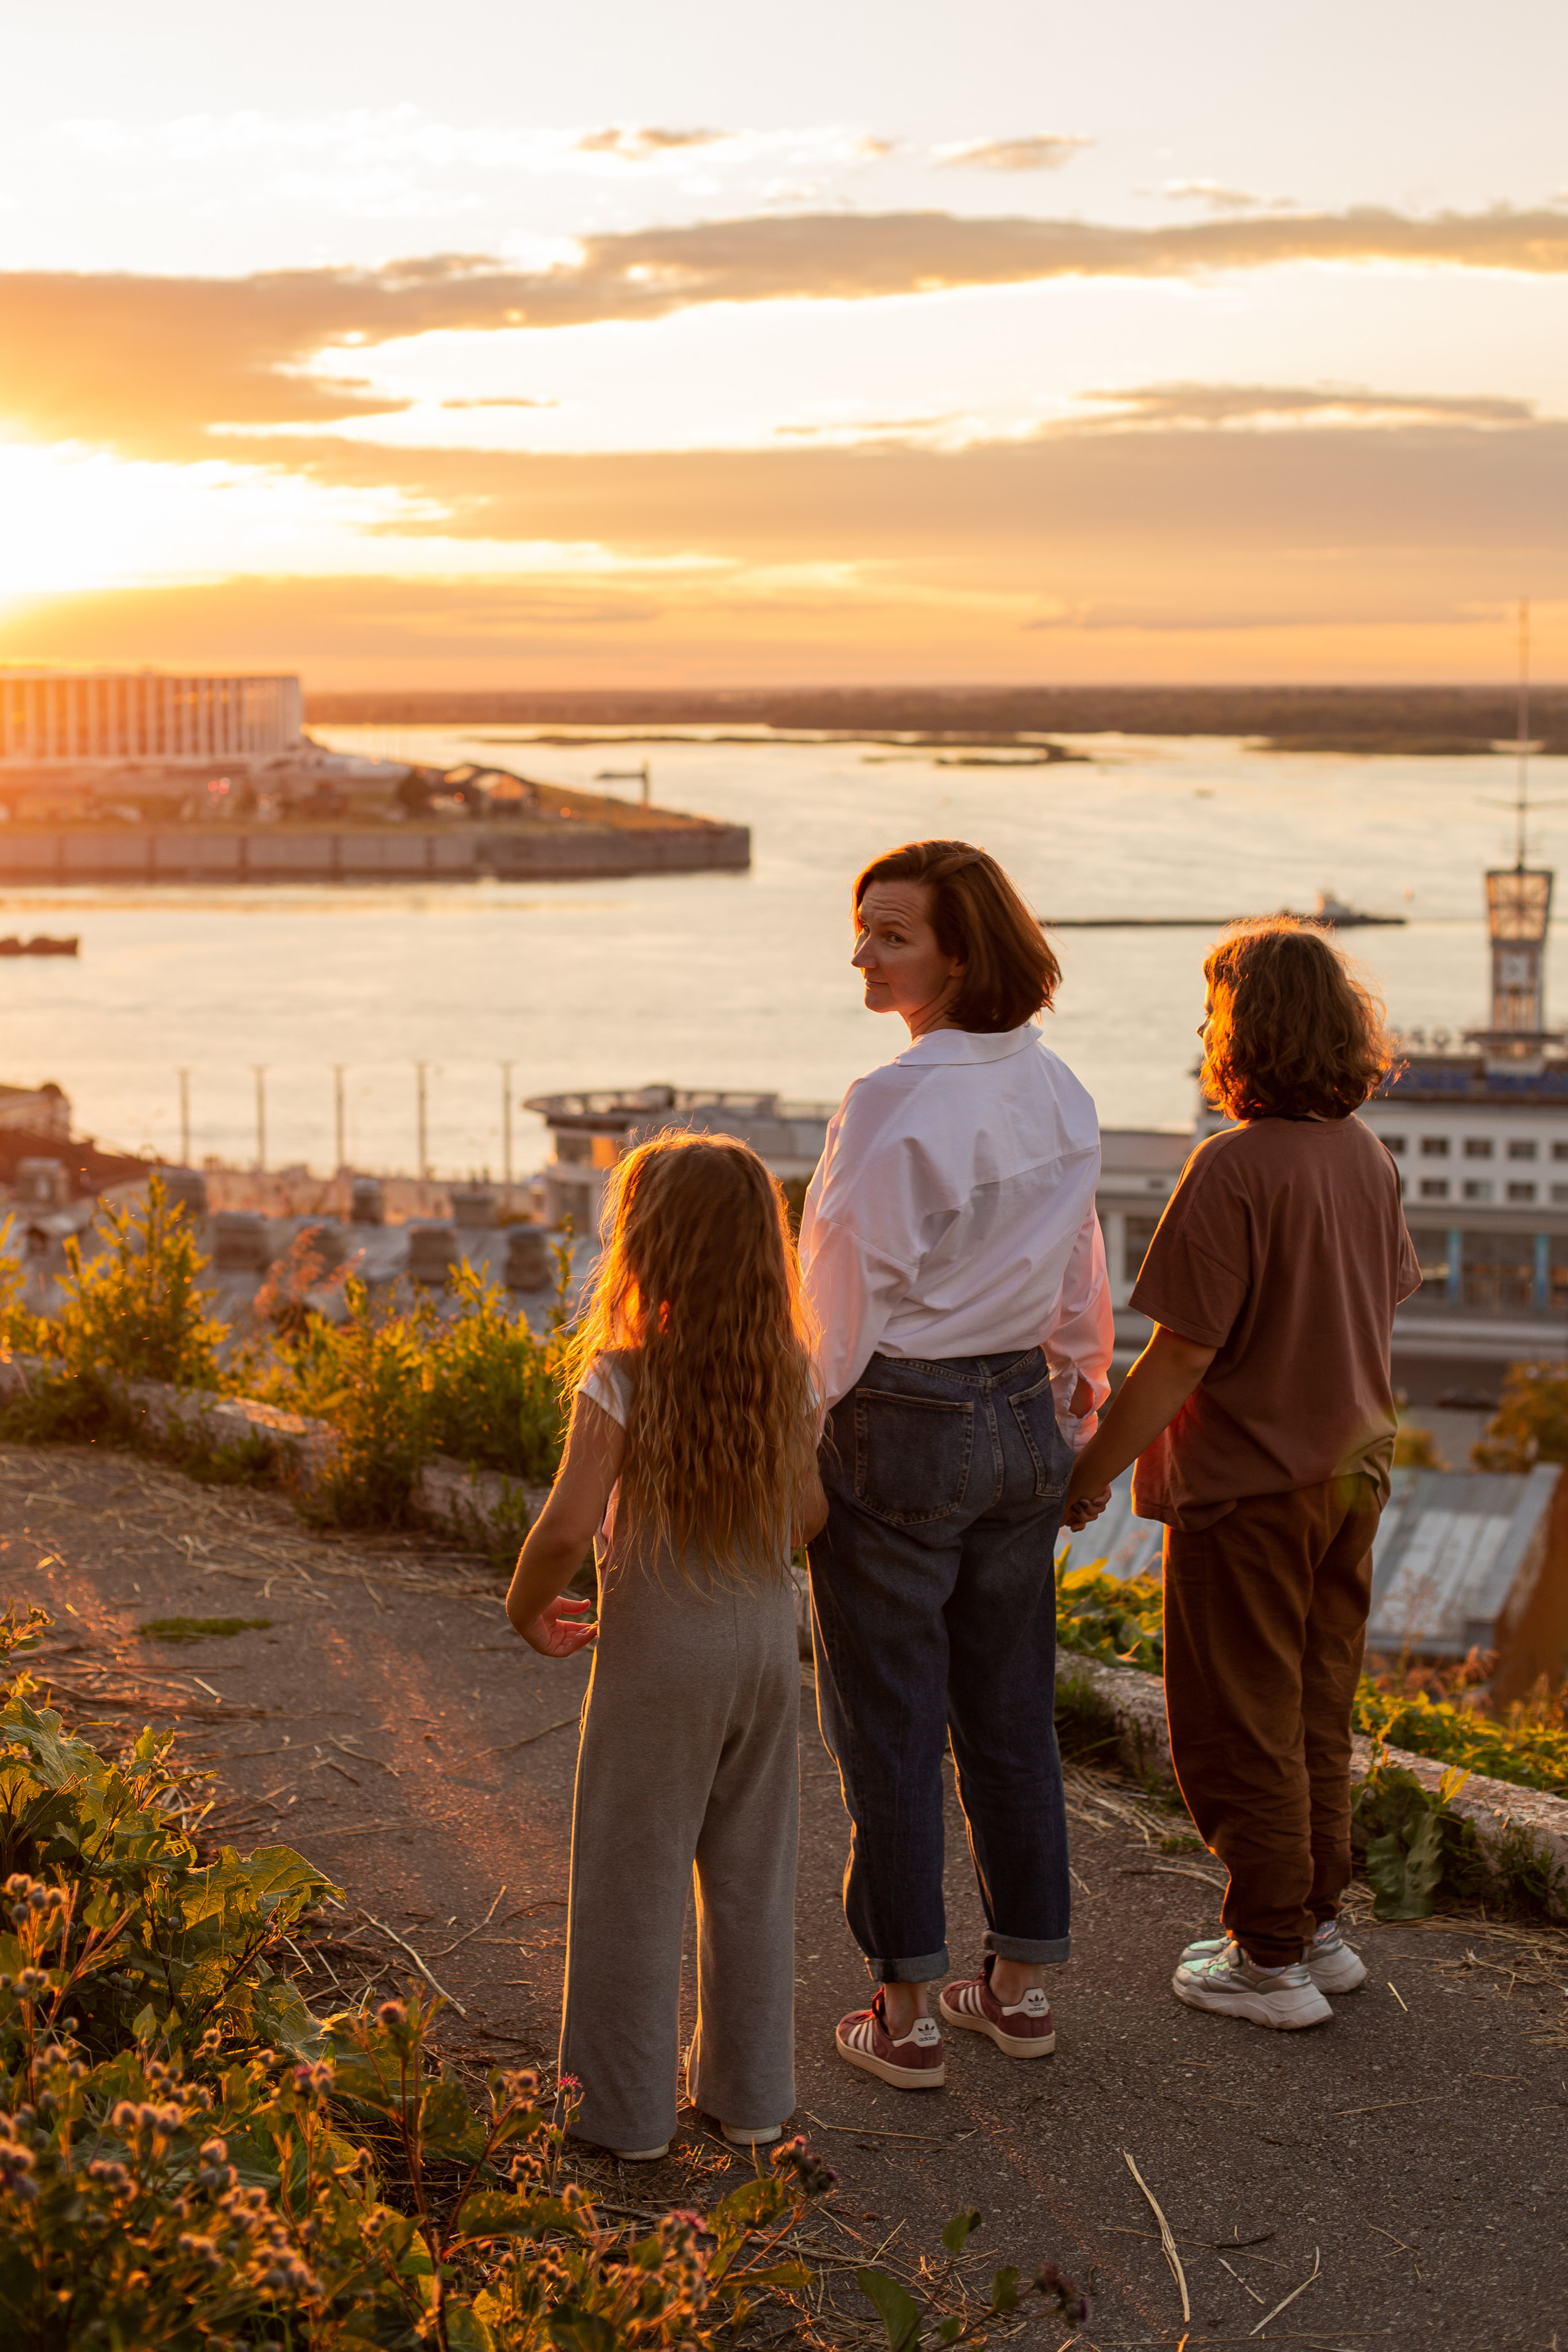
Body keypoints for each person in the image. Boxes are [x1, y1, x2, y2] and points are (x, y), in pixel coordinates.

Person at [1065, 919, 1420, 2031]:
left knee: (1234, 1719)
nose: (1202, 1028)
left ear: (1243, 1030)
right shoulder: (1366, 1154)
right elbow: (1386, 1295)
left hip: (1249, 1487)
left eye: (1212, 1009)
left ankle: (1267, 1955)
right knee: (1316, 1701)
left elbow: (1180, 1353)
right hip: (1353, 1474)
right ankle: (1312, 1921)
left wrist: (1090, 1472)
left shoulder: (1231, 1167)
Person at [799, 838, 1113, 2089]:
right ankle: (1021, 1989)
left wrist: (797, 1437)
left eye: (891, 935)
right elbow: (1077, 1261)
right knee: (1005, 1710)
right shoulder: (1060, 1089)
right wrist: (1078, 1395)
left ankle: (910, 2012)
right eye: (862, 928)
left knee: (887, 1721)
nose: (864, 953)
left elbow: (839, 1286)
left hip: (902, 1417)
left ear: (960, 953)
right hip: (1022, 1414)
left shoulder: (893, 1099)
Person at [505, 1133, 826, 2158]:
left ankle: (625, 2114)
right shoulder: (789, 1373)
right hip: (768, 1651)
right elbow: (810, 1514)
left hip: (659, 1653)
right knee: (751, 1877)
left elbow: (566, 1525)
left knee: (631, 1877)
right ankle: (754, 2102)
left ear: (648, 1246)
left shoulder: (622, 1377)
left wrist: (526, 1605)